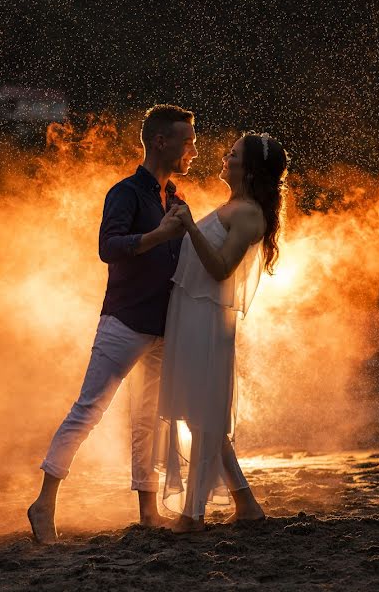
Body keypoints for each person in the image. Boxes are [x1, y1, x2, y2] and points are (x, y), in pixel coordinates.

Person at [28, 105, 199, 544]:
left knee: (149, 421)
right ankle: (44, 503)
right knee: (89, 410)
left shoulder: (176, 199)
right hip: (123, 321)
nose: (193, 150)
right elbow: (108, 247)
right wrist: (161, 235)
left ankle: (147, 510)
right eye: (187, 141)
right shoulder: (125, 193)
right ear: (161, 141)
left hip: (163, 327)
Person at [156, 132, 289, 533]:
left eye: (232, 154)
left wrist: (190, 227)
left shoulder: (248, 213)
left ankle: (192, 514)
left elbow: (220, 269)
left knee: (204, 414)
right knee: (203, 410)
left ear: (247, 169)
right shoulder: (235, 205)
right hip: (191, 308)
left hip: (207, 315)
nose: (225, 157)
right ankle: (245, 503)